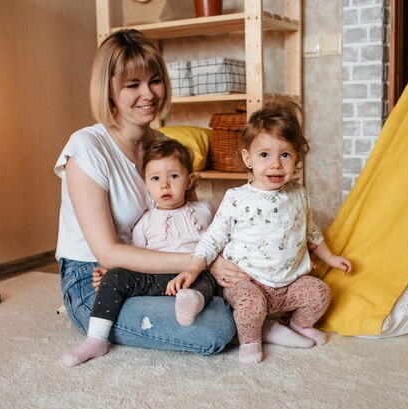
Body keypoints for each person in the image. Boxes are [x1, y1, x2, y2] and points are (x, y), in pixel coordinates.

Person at [55, 29, 313, 363]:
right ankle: (258, 325)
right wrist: (202, 263)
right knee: (214, 329)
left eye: (155, 80)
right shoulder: (86, 147)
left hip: (162, 267)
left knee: (234, 292)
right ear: (109, 91)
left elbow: (192, 219)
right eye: (132, 85)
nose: (148, 94)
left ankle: (254, 317)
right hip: (99, 279)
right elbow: (107, 253)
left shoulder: (162, 145)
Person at [172, 97, 353, 364]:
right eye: (264, 155)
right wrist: (192, 268)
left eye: (285, 155)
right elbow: (213, 238)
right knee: (250, 307)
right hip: (248, 281)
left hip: (289, 282)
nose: (276, 164)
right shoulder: (237, 198)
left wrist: (329, 257)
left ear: (297, 158)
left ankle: (299, 325)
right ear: (248, 158)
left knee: (321, 292)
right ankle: (251, 341)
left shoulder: (299, 194)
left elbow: (310, 230)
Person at [63, 139, 221, 367]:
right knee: (116, 277)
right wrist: (110, 273)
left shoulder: (205, 210)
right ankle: (96, 338)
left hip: (191, 276)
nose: (164, 185)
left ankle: (192, 301)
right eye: (155, 179)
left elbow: (218, 241)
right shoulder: (145, 221)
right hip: (154, 276)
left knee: (208, 278)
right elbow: (136, 256)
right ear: (146, 185)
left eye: (174, 177)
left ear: (190, 181)